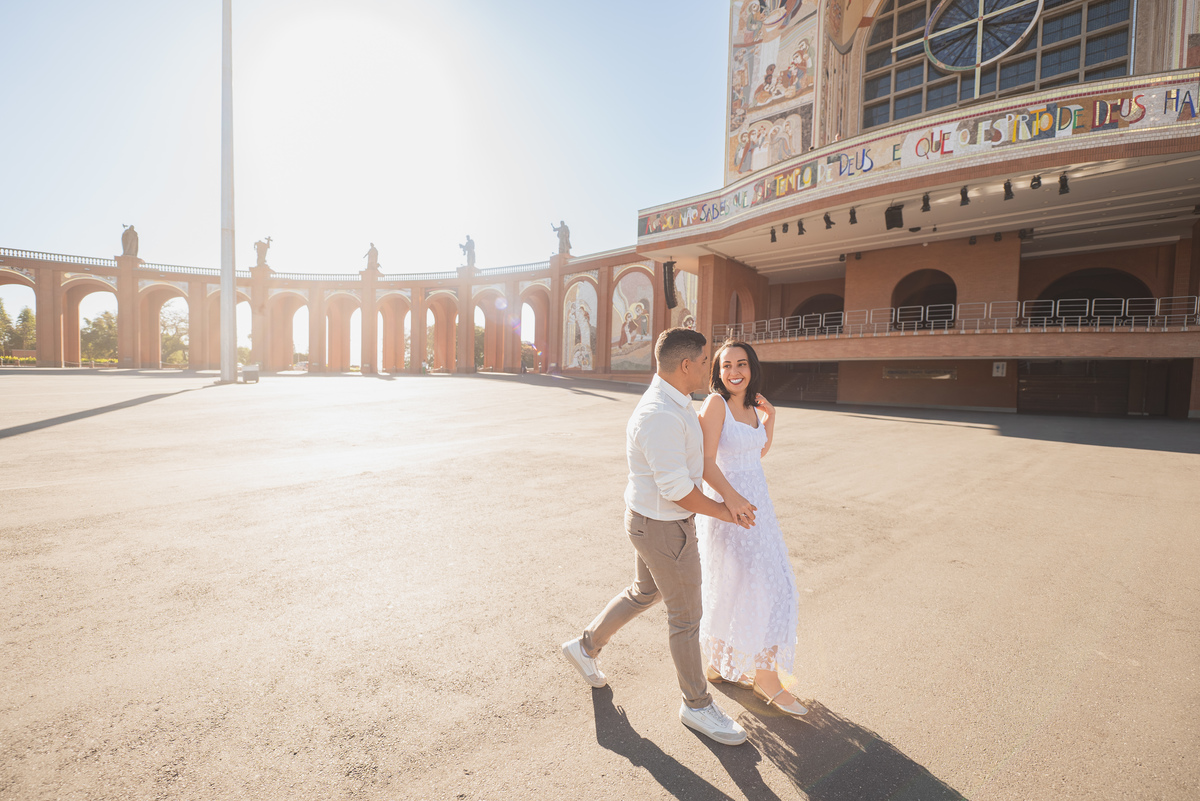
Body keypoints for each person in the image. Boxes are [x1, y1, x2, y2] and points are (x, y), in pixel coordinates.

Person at [562, 328, 753, 746]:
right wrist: (726, 512)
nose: (711, 367)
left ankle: (586, 646)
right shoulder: (660, 415)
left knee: (643, 593)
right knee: (685, 618)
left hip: (650, 521)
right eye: (706, 361)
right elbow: (678, 489)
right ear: (687, 365)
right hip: (665, 528)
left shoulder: (677, 402)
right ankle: (697, 705)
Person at [696, 340, 807, 718]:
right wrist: (733, 500)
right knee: (768, 588)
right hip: (732, 509)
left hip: (758, 507)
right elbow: (705, 462)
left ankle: (719, 663)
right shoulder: (715, 404)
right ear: (718, 371)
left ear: (751, 367)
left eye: (741, 364)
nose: (734, 372)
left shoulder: (752, 407)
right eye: (726, 365)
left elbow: (757, 453)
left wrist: (770, 419)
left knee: (747, 585)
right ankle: (765, 677)